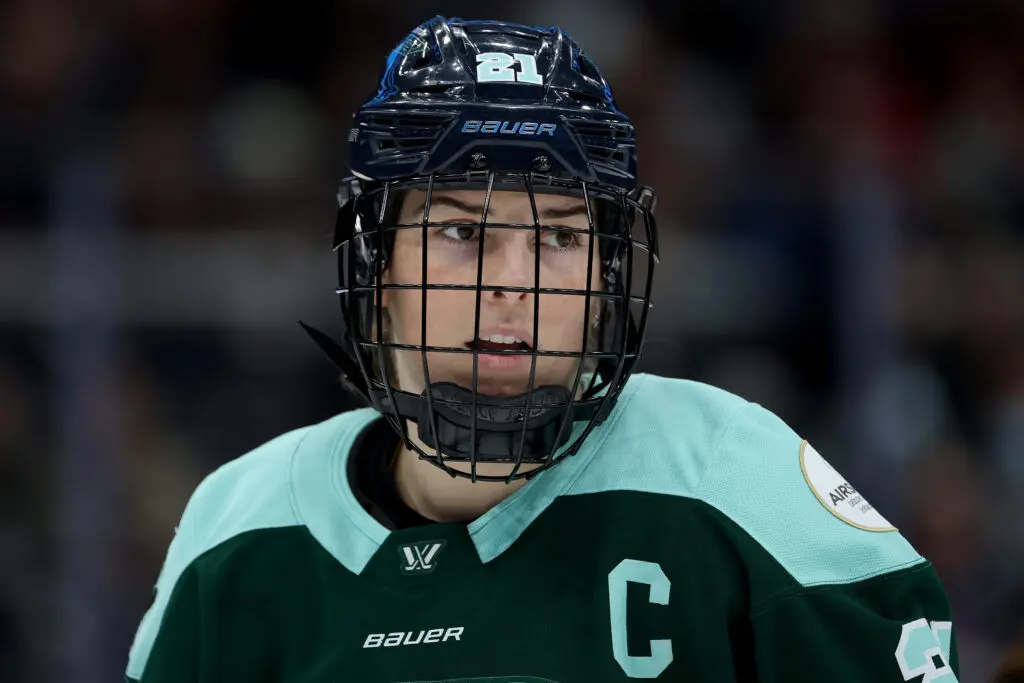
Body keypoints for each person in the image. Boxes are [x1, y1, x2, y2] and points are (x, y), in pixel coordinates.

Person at [125, 16, 960, 683]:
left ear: (607, 274)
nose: (513, 282)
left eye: (559, 237)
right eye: (462, 231)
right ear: (375, 263)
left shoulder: (736, 485)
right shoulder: (239, 531)